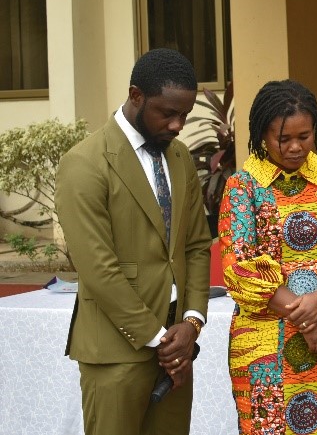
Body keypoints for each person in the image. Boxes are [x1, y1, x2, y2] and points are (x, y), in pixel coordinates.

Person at [55, 48, 212, 435]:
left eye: (185, 115)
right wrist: (159, 338)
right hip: (116, 352)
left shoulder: (179, 157)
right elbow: (98, 269)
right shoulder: (85, 163)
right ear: (136, 95)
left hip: (177, 350)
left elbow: (195, 246)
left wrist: (191, 324)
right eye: (168, 113)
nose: (178, 125)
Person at [218, 79, 317, 434]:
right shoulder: (243, 187)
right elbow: (240, 270)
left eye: (304, 136)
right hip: (263, 345)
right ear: (262, 134)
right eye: (283, 138)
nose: (295, 147)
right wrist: (309, 320)